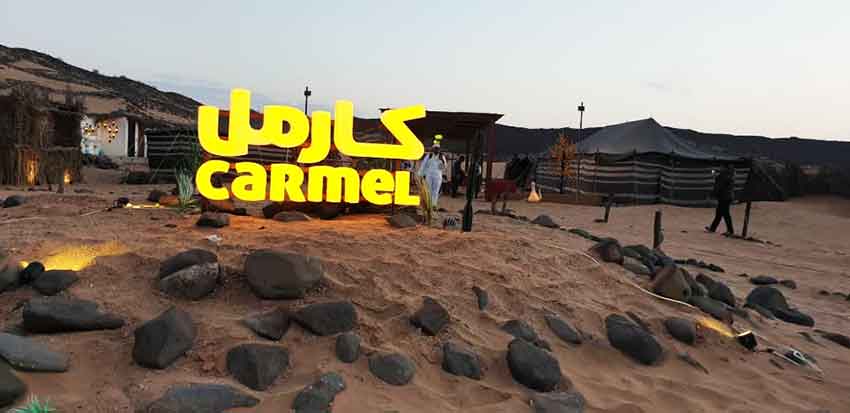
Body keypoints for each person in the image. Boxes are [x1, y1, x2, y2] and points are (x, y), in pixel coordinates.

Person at [417, 136, 447, 209]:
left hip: (437, 176)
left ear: (439, 149)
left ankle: (434, 205)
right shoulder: (429, 156)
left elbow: (443, 168)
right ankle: (428, 204)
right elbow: (423, 165)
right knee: (429, 191)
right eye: (435, 148)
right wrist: (420, 174)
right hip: (429, 176)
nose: (436, 150)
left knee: (436, 191)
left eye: (437, 148)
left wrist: (442, 161)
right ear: (433, 149)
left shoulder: (442, 157)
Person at [706, 164, 735, 235]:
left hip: (724, 197)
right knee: (719, 213)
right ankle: (713, 228)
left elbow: (718, 187)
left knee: (725, 214)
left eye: (721, 167)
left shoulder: (723, 176)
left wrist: (711, 195)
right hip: (727, 197)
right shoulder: (730, 174)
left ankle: (730, 230)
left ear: (724, 168)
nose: (720, 168)